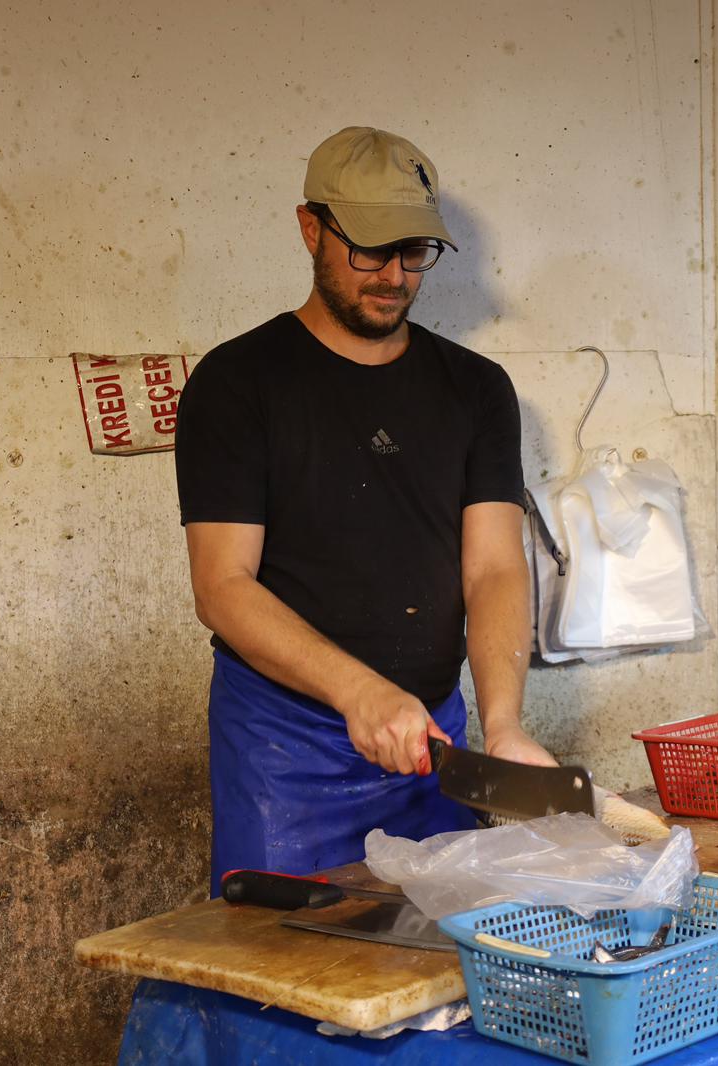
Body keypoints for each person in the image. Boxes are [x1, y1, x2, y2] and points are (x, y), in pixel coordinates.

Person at [175, 127, 555, 894]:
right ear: (310, 228)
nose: (392, 276)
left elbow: (492, 569)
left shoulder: (476, 391)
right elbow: (222, 587)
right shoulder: (238, 383)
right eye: (369, 250)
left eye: (413, 252)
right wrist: (358, 692)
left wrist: (504, 724)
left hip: (430, 738)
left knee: (434, 977)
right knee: (281, 972)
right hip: (284, 746)